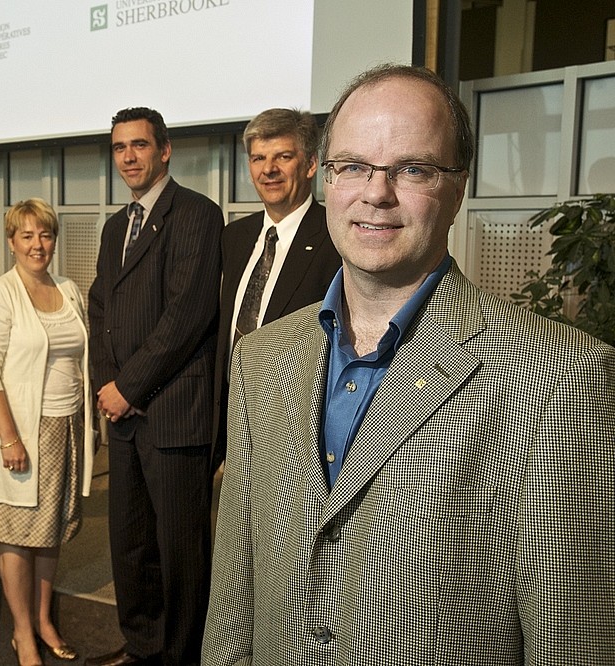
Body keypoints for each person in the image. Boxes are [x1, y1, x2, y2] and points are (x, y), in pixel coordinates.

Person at [201, 64, 615, 665]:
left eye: (412, 169)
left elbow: (569, 639)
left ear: (458, 187)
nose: (376, 192)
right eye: (353, 166)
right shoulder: (260, 359)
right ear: (327, 178)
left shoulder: (564, 377)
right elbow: (235, 597)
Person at [87, 107, 222, 666]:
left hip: (172, 412)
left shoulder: (195, 213)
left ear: (164, 150)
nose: (129, 157)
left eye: (139, 145)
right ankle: (142, 646)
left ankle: (180, 654)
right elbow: (102, 310)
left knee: (180, 550)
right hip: (123, 413)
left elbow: (186, 315)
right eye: (120, 148)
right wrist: (105, 385)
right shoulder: (115, 225)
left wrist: (128, 386)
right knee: (131, 543)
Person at [0, 198, 94, 666]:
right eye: (26, 236)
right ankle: (22, 633)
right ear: (11, 242)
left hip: (66, 428)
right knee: (18, 535)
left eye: (44, 235)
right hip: (21, 431)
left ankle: (43, 619)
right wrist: (8, 437)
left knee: (50, 532)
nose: (37, 244)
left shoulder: (67, 288)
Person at [213, 108, 341, 471]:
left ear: (311, 164)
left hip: (295, 428)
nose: (268, 169)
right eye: (258, 158)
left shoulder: (334, 238)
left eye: (283, 157)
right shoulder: (234, 237)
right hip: (231, 416)